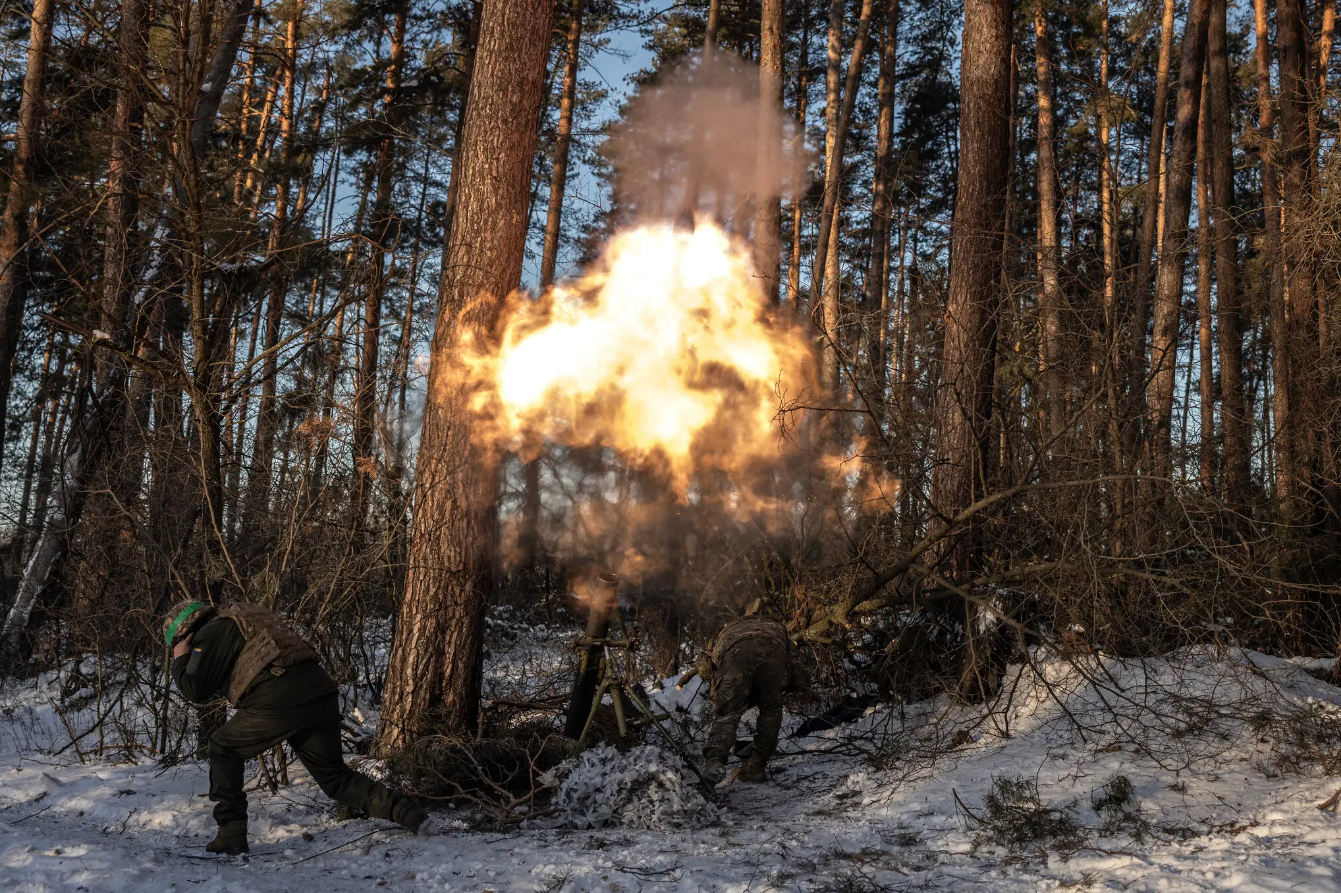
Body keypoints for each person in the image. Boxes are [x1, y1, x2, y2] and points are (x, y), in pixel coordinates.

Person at [164, 600, 427, 854]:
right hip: (320, 691)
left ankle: (231, 835)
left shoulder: (210, 633)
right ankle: (410, 814)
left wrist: (179, 659)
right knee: (335, 778)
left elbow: (194, 689)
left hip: (279, 699)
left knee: (223, 747)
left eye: (177, 642)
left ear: (185, 633)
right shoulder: (241, 618)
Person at [696, 600, 802, 784]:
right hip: (773, 651)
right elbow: (795, 665)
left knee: (727, 714)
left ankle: (715, 761)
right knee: (771, 711)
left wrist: (720, 698)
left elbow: (708, 670)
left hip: (735, 654)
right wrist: (790, 686)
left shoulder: (728, 631)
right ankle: (756, 766)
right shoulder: (776, 627)